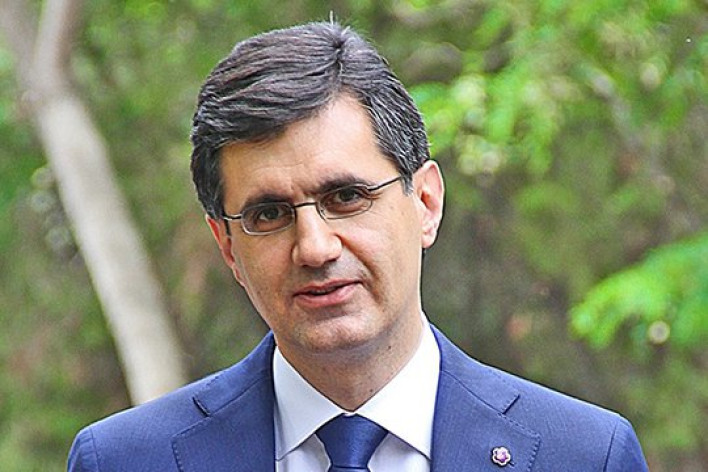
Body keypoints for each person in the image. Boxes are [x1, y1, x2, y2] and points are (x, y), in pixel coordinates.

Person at [68, 21, 649, 471]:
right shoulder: (124, 461)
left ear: (425, 203)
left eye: (346, 197)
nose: (315, 248)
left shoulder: (582, 455)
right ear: (226, 245)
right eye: (269, 214)